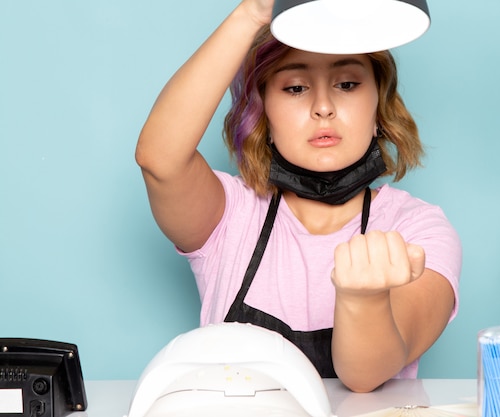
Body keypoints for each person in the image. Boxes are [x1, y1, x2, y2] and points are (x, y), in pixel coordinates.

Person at [136, 0, 461, 393]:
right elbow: (160, 161)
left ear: (378, 108)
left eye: (347, 84)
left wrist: (364, 299)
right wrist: (253, 12)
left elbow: (365, 377)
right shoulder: (231, 214)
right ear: (264, 117)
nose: (323, 107)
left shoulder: (417, 229)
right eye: (294, 88)